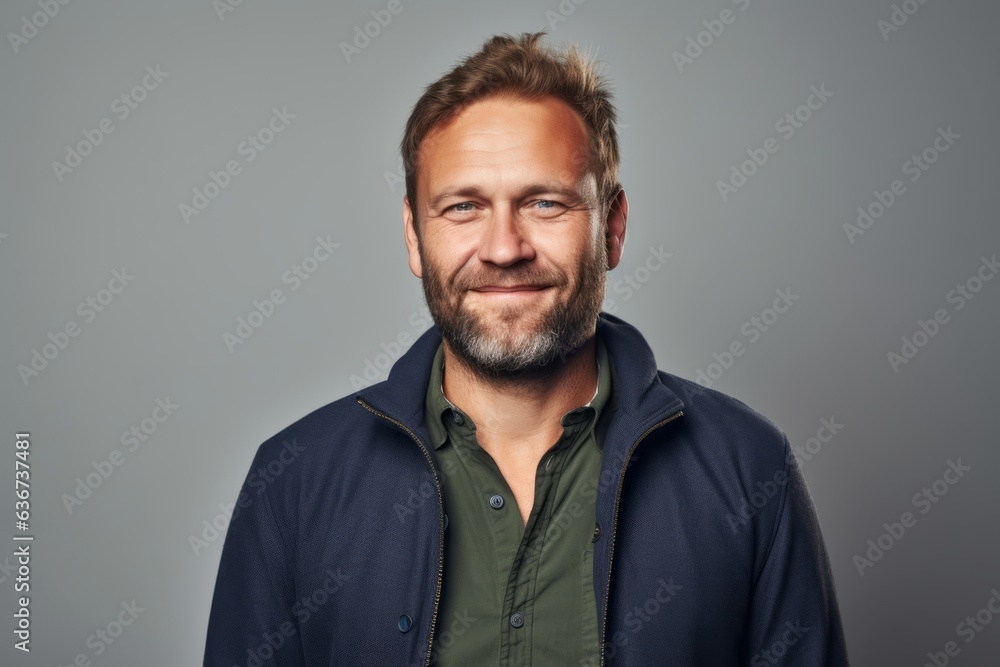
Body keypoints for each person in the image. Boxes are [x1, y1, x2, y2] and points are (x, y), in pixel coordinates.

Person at [204, 31, 849, 666]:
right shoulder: (293, 481)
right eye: (463, 207)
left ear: (613, 228)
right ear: (412, 235)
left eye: (545, 202)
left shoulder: (747, 468)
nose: (504, 247)